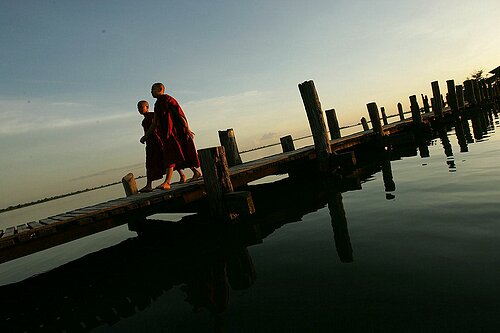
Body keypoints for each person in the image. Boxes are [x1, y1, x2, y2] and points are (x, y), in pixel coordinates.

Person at [140, 83, 202, 190]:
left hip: (173, 133)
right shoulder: (157, 104)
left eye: (153, 89)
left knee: (171, 156)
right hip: (166, 135)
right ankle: (196, 172)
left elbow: (178, 113)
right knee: (176, 155)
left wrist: (187, 128)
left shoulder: (167, 99)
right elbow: (155, 123)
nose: (151, 92)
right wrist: (146, 136)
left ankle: (167, 182)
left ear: (160, 89)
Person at [137, 100, 187, 192]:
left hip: (158, 141)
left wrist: (146, 137)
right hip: (151, 143)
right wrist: (146, 139)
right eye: (138, 108)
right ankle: (149, 185)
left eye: (141, 107)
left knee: (169, 159)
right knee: (150, 164)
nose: (139, 109)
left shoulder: (153, 116)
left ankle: (182, 175)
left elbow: (156, 128)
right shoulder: (145, 120)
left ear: (147, 107)